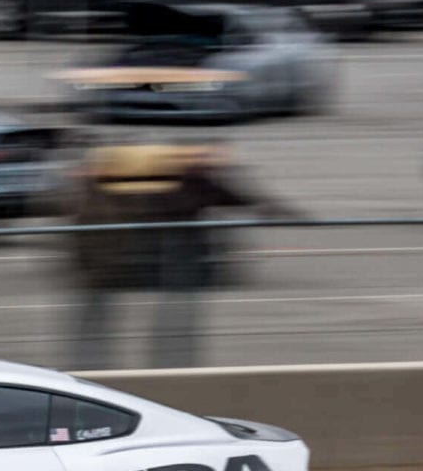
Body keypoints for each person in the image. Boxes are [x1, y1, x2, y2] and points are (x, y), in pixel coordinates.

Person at [67, 138, 296, 370]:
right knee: (166, 322)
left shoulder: (124, 185)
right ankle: (162, 367)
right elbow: (238, 199)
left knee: (110, 323)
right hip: (151, 265)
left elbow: (238, 198)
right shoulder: (184, 182)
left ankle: (111, 369)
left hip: (126, 266)